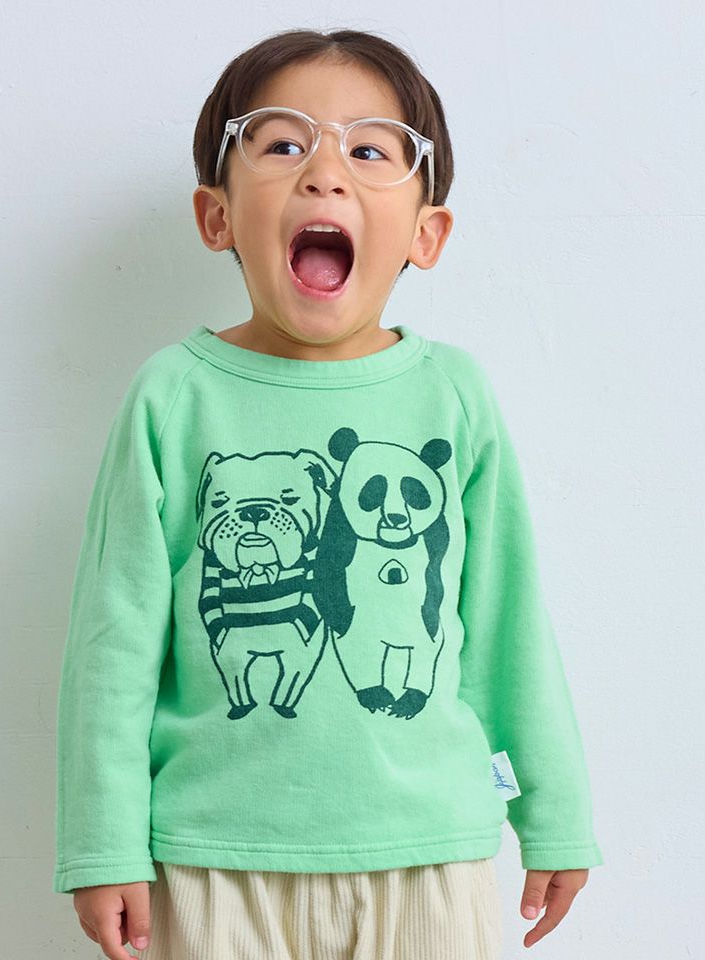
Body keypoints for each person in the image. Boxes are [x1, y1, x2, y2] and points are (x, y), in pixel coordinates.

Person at [53, 27, 603, 960]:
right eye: (281, 142)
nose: (324, 174)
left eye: (371, 150)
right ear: (217, 216)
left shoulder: (454, 394)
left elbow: (505, 617)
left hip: (431, 853)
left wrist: (554, 811)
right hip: (214, 858)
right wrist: (102, 841)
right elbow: (115, 641)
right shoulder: (173, 397)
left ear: (427, 233)